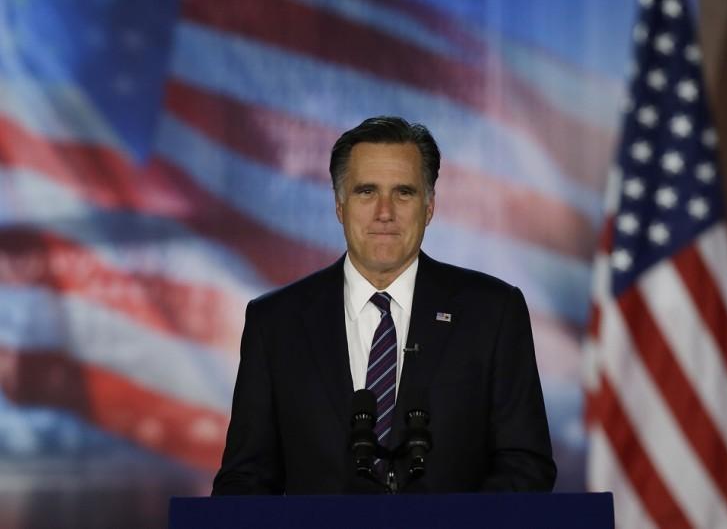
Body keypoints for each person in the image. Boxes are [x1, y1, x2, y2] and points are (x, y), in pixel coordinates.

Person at [212, 116, 556, 495]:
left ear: (429, 207)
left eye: (404, 193)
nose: (385, 212)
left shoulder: (492, 313)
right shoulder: (276, 323)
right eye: (366, 192)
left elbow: (525, 466)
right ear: (340, 206)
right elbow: (244, 481)